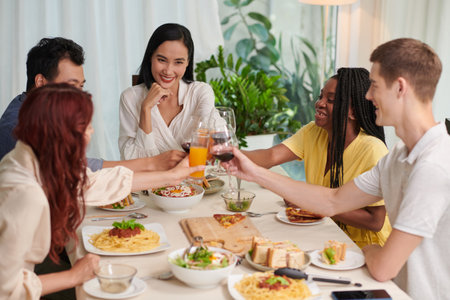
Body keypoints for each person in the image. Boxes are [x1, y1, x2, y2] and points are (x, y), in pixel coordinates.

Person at [223, 38, 449, 299]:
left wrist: (369, 251)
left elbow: (383, 267)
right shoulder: (398, 156)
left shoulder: (434, 166)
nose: (367, 96)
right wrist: (250, 171)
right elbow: (332, 201)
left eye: (374, 86)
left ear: (400, 88)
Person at [0, 83, 203, 299]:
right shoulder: (26, 194)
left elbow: (94, 182)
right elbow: (7, 288)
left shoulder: (30, 155)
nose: (92, 131)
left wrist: (172, 177)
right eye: (85, 126)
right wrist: (74, 276)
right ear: (62, 133)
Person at [244, 68, 391, 248]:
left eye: (331, 100)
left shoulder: (372, 149)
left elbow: (375, 221)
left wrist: (311, 203)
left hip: (364, 249)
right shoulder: (314, 132)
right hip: (327, 236)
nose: (319, 103)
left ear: (352, 111)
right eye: (321, 96)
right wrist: (225, 152)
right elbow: (271, 155)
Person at [0, 37, 185, 171]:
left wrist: (153, 164)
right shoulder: (17, 129)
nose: (80, 96)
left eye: (81, 86)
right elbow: (77, 173)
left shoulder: (41, 113)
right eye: (72, 86)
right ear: (40, 82)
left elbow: (79, 165)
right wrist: (152, 164)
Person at [119, 23, 219, 160]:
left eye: (178, 62)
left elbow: (216, 138)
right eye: (161, 60)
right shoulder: (130, 97)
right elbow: (132, 160)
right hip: (149, 181)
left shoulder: (200, 92)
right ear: (150, 57)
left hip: (193, 179)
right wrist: (145, 108)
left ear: (188, 62)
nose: (168, 70)